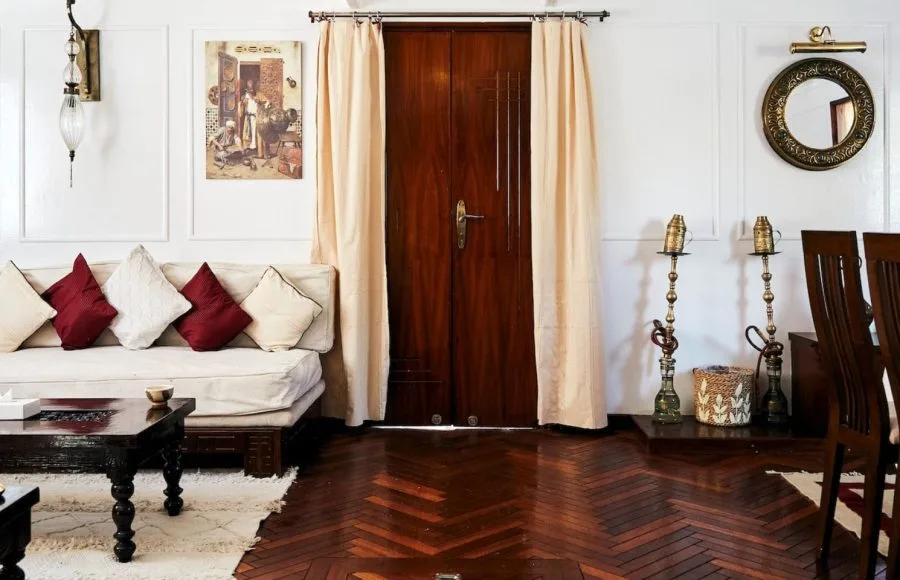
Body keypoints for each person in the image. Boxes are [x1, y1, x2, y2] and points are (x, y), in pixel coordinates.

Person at [239, 79, 270, 159]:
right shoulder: (245, 96)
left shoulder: (259, 94)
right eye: (249, 89)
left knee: (258, 135)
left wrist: (260, 102)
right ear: (247, 89)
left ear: (254, 88)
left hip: (257, 118)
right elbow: (241, 109)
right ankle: (248, 151)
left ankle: (260, 153)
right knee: (247, 134)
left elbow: (268, 102)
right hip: (248, 118)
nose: (251, 91)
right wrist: (241, 103)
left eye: (252, 89)